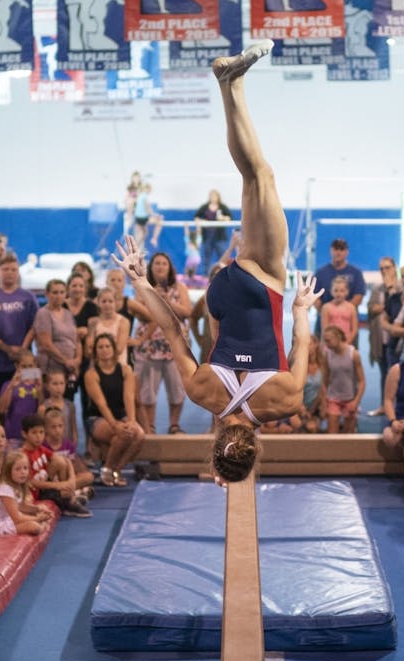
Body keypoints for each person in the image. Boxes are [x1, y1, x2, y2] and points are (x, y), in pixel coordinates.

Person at [118, 42, 323, 484]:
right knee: (252, 177)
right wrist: (139, 281)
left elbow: (301, 343)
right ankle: (232, 83)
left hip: (261, 285)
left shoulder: (285, 401)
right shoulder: (202, 394)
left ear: (257, 449)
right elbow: (173, 327)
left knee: (261, 175)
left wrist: (301, 307)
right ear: (215, 445)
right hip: (221, 298)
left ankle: (231, 83)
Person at [127, 256, 190, 434]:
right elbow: (138, 314)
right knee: (147, 390)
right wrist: (155, 300)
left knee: (177, 388)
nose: (161, 267)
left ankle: (174, 425)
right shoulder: (143, 289)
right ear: (151, 267)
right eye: (157, 263)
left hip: (175, 348)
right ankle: (150, 426)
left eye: (164, 263)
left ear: (170, 267)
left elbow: (187, 312)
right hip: (149, 347)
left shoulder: (180, 288)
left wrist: (167, 303)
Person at [82, 334, 145, 487]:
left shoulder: (125, 370)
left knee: (139, 435)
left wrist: (131, 420)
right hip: (97, 418)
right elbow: (101, 404)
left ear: (114, 349)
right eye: (100, 347)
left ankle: (117, 469)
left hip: (121, 416)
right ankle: (107, 469)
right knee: (120, 434)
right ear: (95, 352)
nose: (104, 350)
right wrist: (115, 425)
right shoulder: (91, 374)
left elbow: (129, 397)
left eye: (107, 346)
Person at [0, 253, 38, 402]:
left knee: (29, 403)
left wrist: (22, 350)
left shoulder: (28, 297)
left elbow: (35, 326)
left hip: (26, 363)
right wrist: (6, 349)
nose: (9, 273)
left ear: (18, 272)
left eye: (13, 269)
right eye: (5, 269)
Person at [0, 451, 53, 537]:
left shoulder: (17, 485)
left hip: (8, 519)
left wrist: (38, 509)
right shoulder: (5, 489)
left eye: (25, 468)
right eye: (18, 469)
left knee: (35, 514)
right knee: (33, 526)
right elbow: (16, 518)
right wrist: (38, 519)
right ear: (8, 472)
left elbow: (20, 506)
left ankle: (40, 523)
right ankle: (42, 527)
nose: (23, 472)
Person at [319, 325, 365, 434]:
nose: (326, 344)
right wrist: (324, 402)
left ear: (338, 337)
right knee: (332, 435)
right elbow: (324, 381)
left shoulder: (353, 354)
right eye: (325, 341)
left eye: (328, 341)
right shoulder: (327, 355)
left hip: (350, 399)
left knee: (348, 435)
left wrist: (356, 401)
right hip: (333, 398)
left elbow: (362, 381)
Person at [313, 238, 367, 319]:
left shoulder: (356, 273)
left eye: (341, 249)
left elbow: (358, 296)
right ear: (331, 250)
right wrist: (326, 313)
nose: (338, 252)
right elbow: (315, 297)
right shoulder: (320, 273)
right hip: (324, 320)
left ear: (346, 252)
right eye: (336, 249)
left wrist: (341, 313)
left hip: (348, 320)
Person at [194, 190, 233, 270]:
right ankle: (206, 276)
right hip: (207, 236)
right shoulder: (204, 207)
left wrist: (222, 218)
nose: (213, 198)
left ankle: (225, 273)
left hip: (219, 237)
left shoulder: (222, 207)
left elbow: (229, 218)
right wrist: (202, 221)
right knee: (206, 257)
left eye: (214, 196)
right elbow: (196, 217)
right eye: (211, 196)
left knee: (223, 256)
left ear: (218, 197)